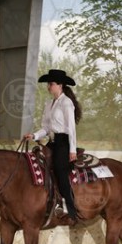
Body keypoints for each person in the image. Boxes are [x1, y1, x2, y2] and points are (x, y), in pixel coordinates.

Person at [24, 69, 82, 220]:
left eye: (51, 84)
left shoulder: (66, 103)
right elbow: (46, 128)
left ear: (60, 85)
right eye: (48, 84)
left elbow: (71, 128)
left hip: (63, 142)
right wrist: (34, 135)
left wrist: (72, 150)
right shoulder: (49, 103)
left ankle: (68, 206)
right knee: (38, 163)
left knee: (59, 169)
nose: (48, 86)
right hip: (52, 141)